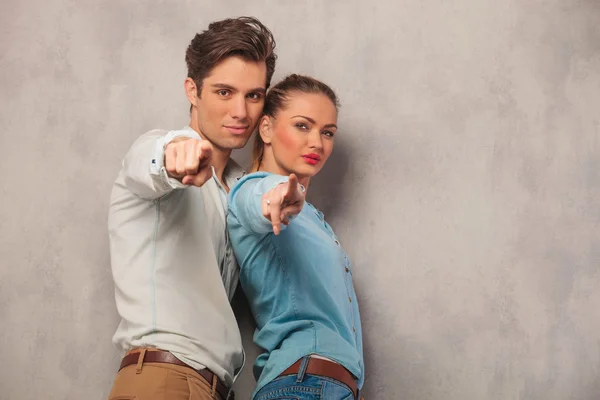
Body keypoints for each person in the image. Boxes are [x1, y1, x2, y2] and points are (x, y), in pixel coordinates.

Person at [106, 17, 277, 400]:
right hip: (163, 380)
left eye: (253, 95)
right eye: (223, 92)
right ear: (192, 91)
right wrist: (174, 155)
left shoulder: (239, 189)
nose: (241, 112)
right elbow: (152, 161)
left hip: (216, 388)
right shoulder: (158, 149)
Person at [227, 74, 365, 400]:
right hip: (303, 385)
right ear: (266, 129)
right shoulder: (253, 188)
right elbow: (257, 201)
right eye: (303, 126)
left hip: (328, 386)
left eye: (327, 132)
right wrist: (275, 198)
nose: (317, 142)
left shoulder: (314, 220)